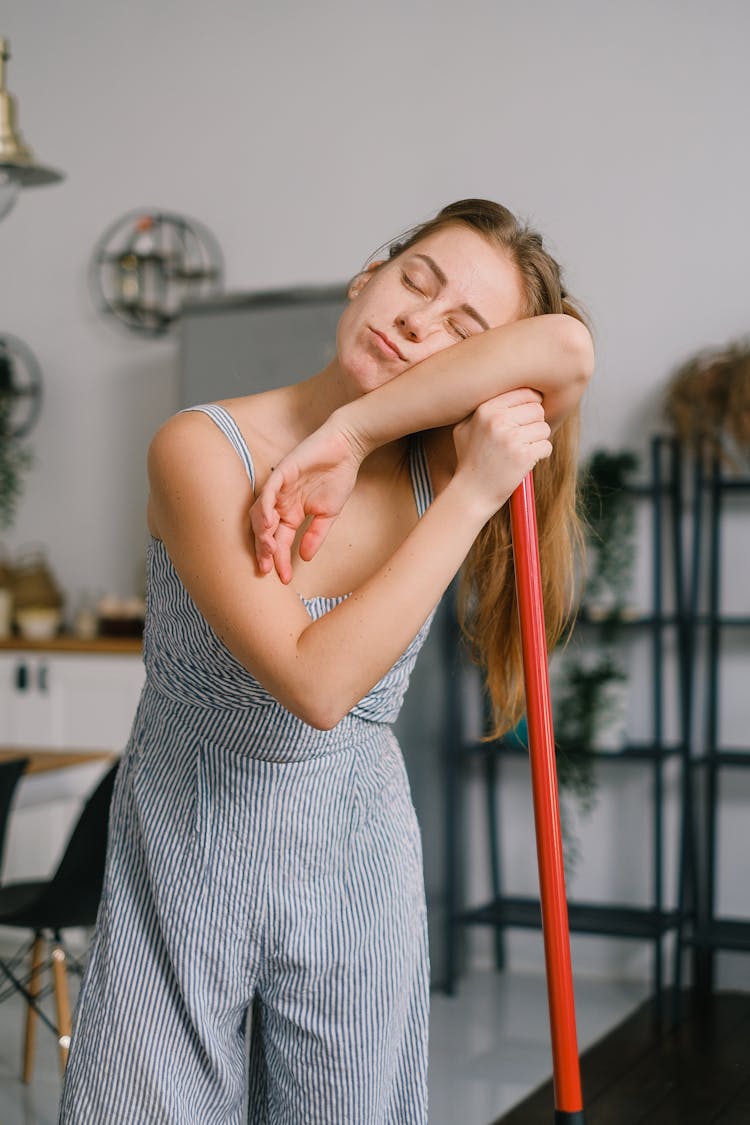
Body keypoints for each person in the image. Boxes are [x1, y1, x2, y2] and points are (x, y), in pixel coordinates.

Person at [59, 199, 593, 1124]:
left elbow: (568, 352)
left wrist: (356, 436)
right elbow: (316, 683)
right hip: (186, 839)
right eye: (414, 279)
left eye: (463, 329)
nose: (420, 317)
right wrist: (470, 493)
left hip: (355, 850)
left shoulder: (440, 465)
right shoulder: (202, 449)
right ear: (367, 277)